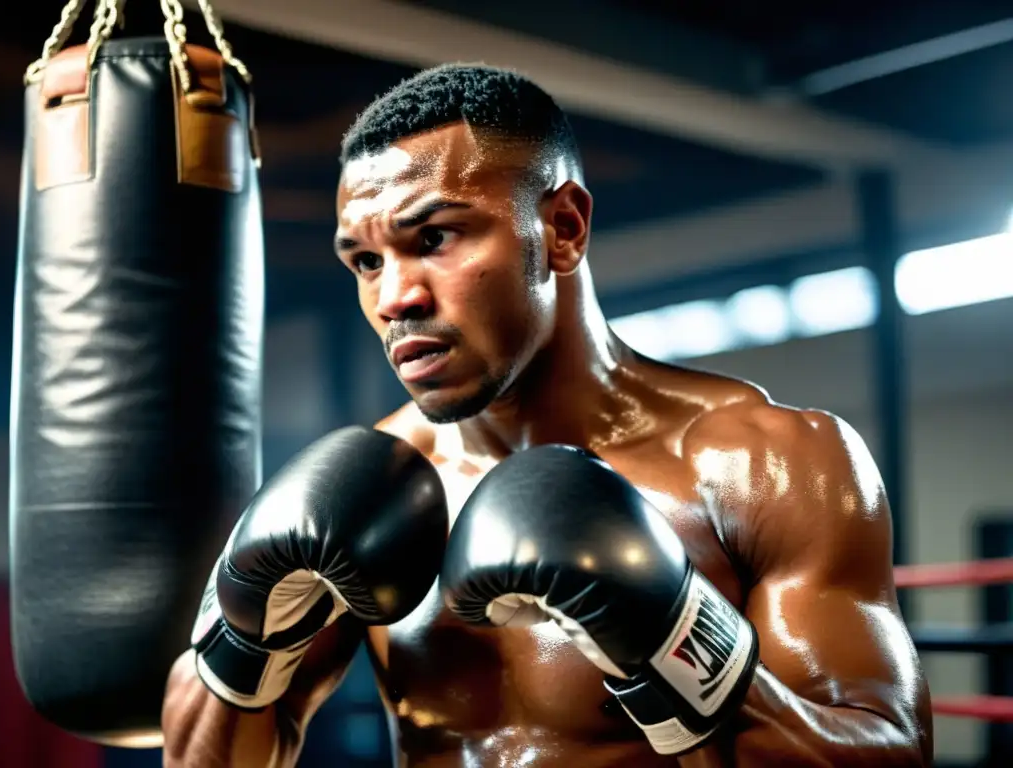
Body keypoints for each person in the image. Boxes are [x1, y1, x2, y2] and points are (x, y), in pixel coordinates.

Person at [162, 64, 932, 767]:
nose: (394, 298)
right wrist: (243, 639)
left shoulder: (763, 462)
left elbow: (891, 754)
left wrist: (678, 644)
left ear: (562, 229)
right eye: (366, 261)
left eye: (433, 237)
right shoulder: (370, 490)